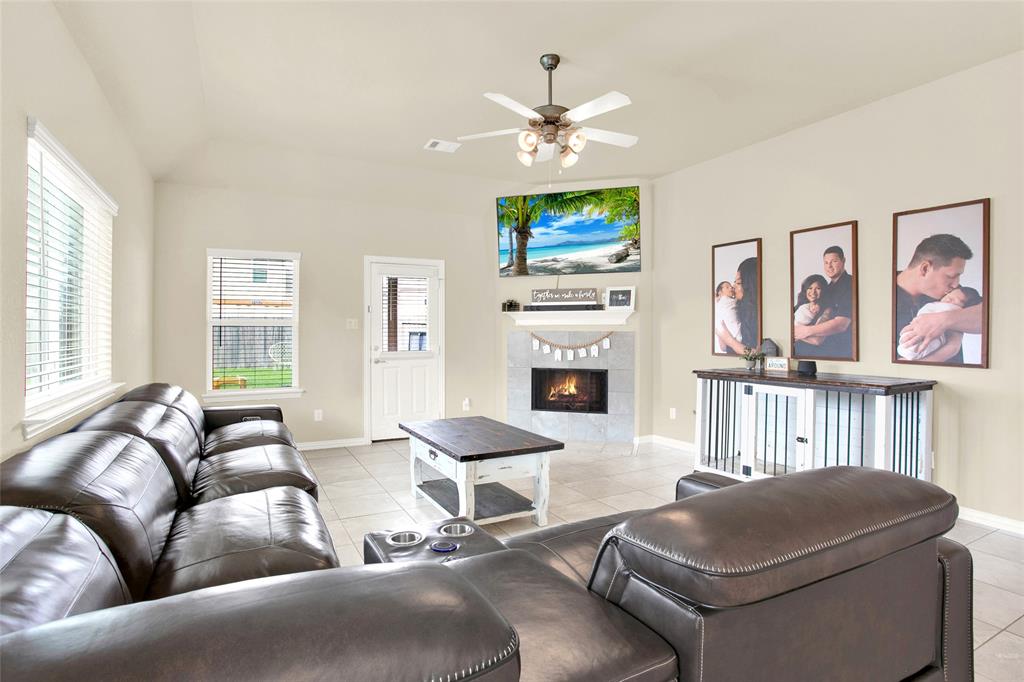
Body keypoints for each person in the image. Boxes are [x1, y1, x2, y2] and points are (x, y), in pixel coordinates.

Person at [895, 233, 983, 364]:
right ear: (925, 269)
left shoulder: (952, 294)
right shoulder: (876, 294)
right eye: (951, 276)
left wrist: (942, 320)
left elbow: (991, 318)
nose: (955, 284)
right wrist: (949, 349)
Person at [794, 245, 853, 358]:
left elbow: (841, 324)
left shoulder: (850, 284)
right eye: (826, 263)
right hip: (809, 351)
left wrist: (804, 331)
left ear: (843, 261)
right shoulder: (826, 288)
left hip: (837, 352)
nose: (829, 266)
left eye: (834, 261)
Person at [896, 288, 972, 360]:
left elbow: (952, 346)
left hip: (935, 344)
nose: (949, 298)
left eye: (956, 300)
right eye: (948, 295)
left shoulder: (954, 306)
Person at [716, 256, 760, 355]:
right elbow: (723, 347)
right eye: (734, 282)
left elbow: (756, 355)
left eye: (739, 282)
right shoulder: (736, 310)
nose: (733, 286)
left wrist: (730, 340)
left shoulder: (758, 315)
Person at [714, 281, 741, 354]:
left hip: (729, 339)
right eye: (727, 287)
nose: (731, 288)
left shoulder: (718, 303)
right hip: (737, 338)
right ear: (720, 292)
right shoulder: (725, 300)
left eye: (731, 287)